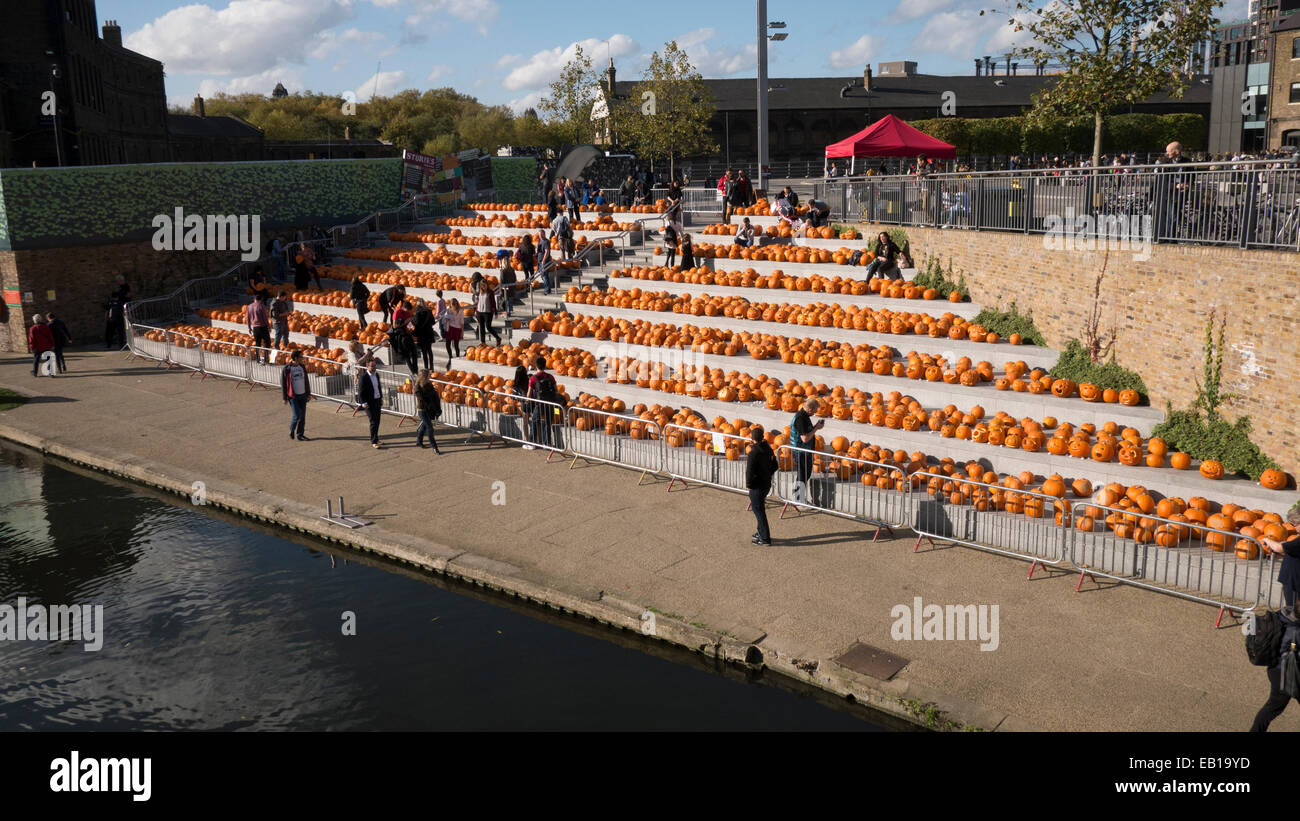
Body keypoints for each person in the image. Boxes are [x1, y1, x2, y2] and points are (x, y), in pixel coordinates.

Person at [1251, 510, 1300, 732]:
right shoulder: (1294, 631)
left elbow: (1281, 548)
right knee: (1274, 706)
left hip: (1282, 671)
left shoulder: (1283, 620)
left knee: (1273, 706)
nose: (1293, 527)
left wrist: (1269, 541)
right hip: (1287, 674)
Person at [745, 427, 778, 546]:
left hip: (756, 486)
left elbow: (749, 472)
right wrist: (768, 474)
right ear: (763, 437)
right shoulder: (768, 448)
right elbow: (775, 465)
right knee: (759, 509)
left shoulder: (753, 453)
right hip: (766, 484)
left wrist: (749, 485)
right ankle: (761, 532)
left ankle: (765, 538)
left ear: (751, 438)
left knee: (759, 511)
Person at [790, 397, 824, 504]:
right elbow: (804, 438)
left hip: (805, 451)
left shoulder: (804, 416)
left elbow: (806, 432)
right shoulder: (800, 418)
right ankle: (798, 499)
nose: (814, 413)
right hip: (801, 451)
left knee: (805, 474)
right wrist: (816, 429)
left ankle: (799, 498)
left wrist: (815, 427)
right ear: (810, 409)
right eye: (814, 411)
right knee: (802, 475)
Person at [527, 355, 561, 448]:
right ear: (545, 366)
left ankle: (532, 443)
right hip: (550, 403)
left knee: (534, 422)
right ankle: (547, 443)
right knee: (548, 423)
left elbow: (529, 394)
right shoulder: (550, 377)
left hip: (539, 404)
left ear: (536, 366)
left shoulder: (533, 378)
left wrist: (527, 403)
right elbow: (556, 390)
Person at [280, 349, 312, 441]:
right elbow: (283, 384)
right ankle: (291, 429)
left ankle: (300, 434)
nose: (303, 358)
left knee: (303, 417)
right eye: (301, 357)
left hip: (303, 395)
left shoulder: (302, 366)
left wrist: (308, 393)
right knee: (297, 415)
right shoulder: (287, 368)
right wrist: (284, 397)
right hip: (293, 396)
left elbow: (306, 381)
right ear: (296, 358)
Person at [356, 358, 385, 448]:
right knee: (373, 421)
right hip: (369, 403)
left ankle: (376, 438)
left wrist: (381, 397)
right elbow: (360, 391)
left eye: (375, 366)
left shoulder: (376, 375)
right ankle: (373, 441)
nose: (374, 368)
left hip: (377, 401)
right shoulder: (363, 378)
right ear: (367, 367)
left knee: (377, 421)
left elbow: (378, 387)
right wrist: (363, 402)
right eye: (372, 366)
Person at [413, 369, 443, 453]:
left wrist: (437, 409)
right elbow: (422, 399)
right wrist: (430, 404)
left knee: (424, 425)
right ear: (424, 377)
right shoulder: (417, 387)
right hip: (423, 410)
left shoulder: (429, 385)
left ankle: (419, 441)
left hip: (430, 409)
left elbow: (435, 396)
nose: (430, 377)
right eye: (428, 376)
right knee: (430, 428)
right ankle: (435, 447)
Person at [473, 275, 502, 346]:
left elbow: (493, 303)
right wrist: (476, 311)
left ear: (487, 285)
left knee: (488, 327)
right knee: (481, 327)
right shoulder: (479, 292)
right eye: (482, 285)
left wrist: (495, 312)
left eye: (484, 285)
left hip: (488, 312)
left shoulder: (490, 292)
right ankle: (483, 342)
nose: (483, 287)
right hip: (480, 312)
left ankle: (498, 338)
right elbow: (477, 302)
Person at [511, 364, 534, 449]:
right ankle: (534, 440)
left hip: (525, 403)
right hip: (533, 402)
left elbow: (513, 396)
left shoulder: (516, 384)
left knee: (525, 423)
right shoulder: (529, 379)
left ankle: (527, 441)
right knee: (534, 423)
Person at [245, 293, 272, 362]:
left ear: (254, 299)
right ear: (260, 300)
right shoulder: (261, 306)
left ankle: (258, 359)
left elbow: (247, 318)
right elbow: (265, 318)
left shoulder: (249, 307)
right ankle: (266, 359)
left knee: (257, 343)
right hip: (263, 327)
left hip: (255, 328)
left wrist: (249, 327)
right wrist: (268, 326)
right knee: (267, 342)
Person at [412, 300, 437, 371]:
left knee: (424, 351)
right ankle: (431, 367)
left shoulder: (417, 313)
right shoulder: (429, 312)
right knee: (429, 350)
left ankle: (426, 367)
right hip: (429, 333)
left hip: (421, 334)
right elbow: (433, 322)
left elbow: (417, 324)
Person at [444, 298, 465, 367]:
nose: (453, 306)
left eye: (454, 305)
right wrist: (446, 318)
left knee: (456, 345)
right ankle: (450, 357)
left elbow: (462, 322)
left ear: (456, 304)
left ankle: (457, 357)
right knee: (447, 344)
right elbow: (445, 318)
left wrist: (462, 332)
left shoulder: (460, 311)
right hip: (450, 328)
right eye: (452, 305)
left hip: (457, 328)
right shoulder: (448, 309)